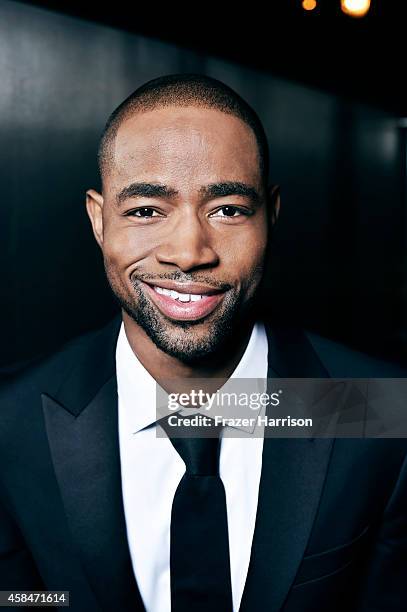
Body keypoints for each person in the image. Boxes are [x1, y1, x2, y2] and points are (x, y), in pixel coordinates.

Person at [0, 74, 406, 612]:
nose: (189, 253)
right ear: (99, 220)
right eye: (146, 210)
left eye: (228, 210)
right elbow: (24, 601)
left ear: (271, 215)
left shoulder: (377, 412)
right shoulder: (10, 422)